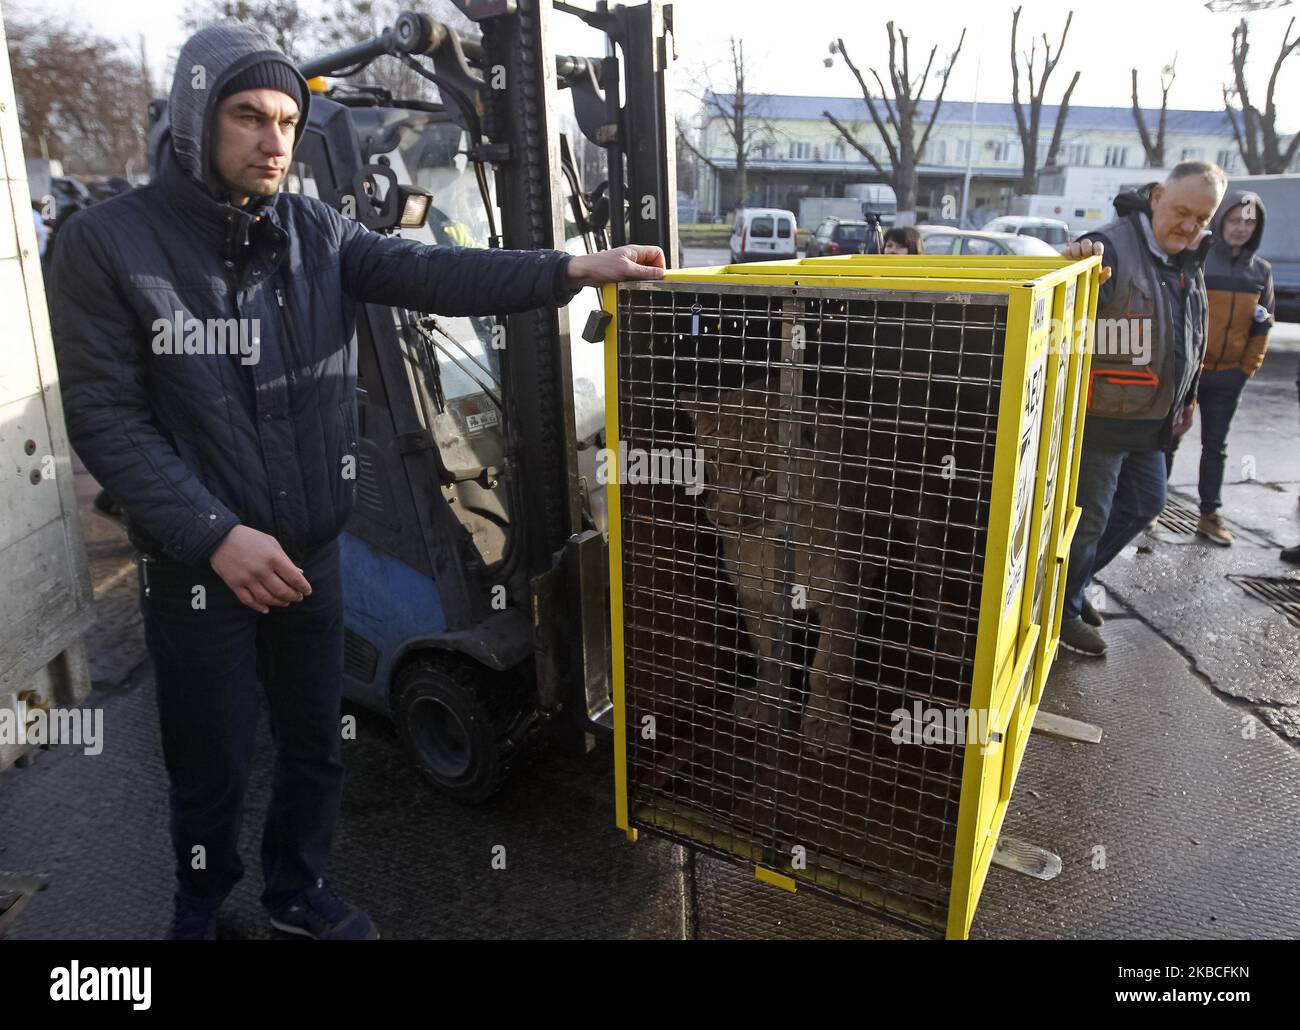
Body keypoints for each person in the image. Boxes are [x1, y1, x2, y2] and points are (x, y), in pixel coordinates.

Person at [48, 23, 663, 941]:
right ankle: (199, 910)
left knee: (312, 746)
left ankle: (296, 895)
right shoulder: (106, 246)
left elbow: (430, 268)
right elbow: (108, 423)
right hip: (199, 569)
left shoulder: (313, 230)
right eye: (249, 116)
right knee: (211, 760)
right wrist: (214, 533)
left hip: (309, 550)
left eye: (289, 121)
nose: (274, 141)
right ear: (194, 118)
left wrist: (572, 268)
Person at [1058, 161, 1226, 657]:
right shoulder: (1107, 248)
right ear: (1157, 196)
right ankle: (1061, 614)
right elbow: (1059, 306)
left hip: (1151, 420)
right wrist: (1072, 260)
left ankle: (1076, 582)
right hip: (1101, 417)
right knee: (1087, 520)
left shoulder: (1190, 257)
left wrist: (1189, 394)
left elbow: (1188, 332)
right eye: (1181, 211)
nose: (1190, 226)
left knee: (1145, 505)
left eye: (1202, 218)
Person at [1164, 188, 1274, 546]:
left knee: (1216, 447)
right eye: (1235, 219)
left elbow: (1264, 327)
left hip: (1229, 376)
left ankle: (1209, 515)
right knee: (1169, 439)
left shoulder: (1261, 271)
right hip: (1189, 373)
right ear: (1222, 218)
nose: (1242, 227)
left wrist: (1246, 369)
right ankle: (1152, 511)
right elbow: (1178, 315)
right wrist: (1181, 366)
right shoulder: (1198, 259)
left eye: (1250, 222)